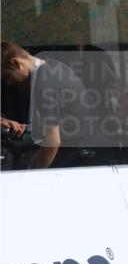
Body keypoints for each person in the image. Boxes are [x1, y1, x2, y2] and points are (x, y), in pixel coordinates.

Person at [0, 41, 93, 169]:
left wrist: (33, 172)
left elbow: (53, 142)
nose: (9, 82)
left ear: (16, 63)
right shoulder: (53, 66)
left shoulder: (43, 84)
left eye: (7, 76)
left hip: (73, 155)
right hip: (83, 148)